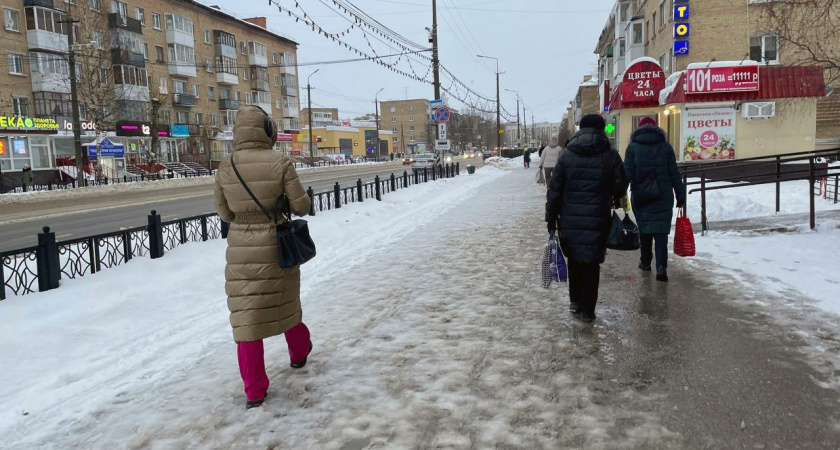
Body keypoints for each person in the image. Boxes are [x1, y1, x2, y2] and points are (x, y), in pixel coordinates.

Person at [214, 106, 314, 409]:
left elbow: (224, 212)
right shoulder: (281, 162)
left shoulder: (225, 165)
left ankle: (254, 391)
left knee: (247, 318)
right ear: (268, 130)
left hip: (241, 247)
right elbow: (302, 207)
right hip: (276, 243)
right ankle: (299, 354)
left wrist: (246, 218)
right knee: (283, 303)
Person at [546, 114, 628, 323]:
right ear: (602, 130)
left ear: (580, 129)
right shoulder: (610, 155)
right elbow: (620, 186)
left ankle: (575, 301)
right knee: (591, 263)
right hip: (598, 217)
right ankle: (588, 311)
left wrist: (551, 218)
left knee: (574, 258)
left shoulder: (567, 154)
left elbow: (554, 189)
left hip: (570, 218)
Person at [623, 117, 686, 282]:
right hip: (663, 196)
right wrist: (680, 195)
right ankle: (661, 268)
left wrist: (619, 194)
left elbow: (626, 174)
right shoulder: (666, 147)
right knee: (661, 233)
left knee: (644, 230)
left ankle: (645, 262)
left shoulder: (633, 148)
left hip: (641, 196)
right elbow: (674, 173)